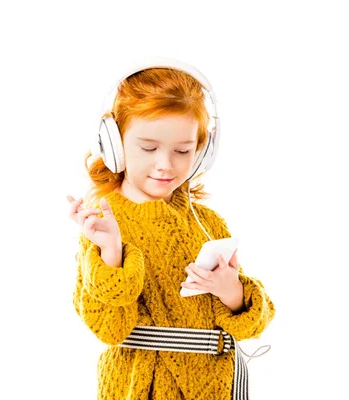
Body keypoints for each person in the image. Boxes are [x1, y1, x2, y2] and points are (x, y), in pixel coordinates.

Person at [67, 58, 275, 400]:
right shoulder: (104, 224)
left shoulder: (205, 220)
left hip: (219, 386)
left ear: (203, 151)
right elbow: (109, 328)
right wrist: (112, 254)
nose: (165, 165)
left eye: (183, 150)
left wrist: (232, 293)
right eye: (148, 148)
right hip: (144, 386)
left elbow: (256, 321)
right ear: (114, 144)